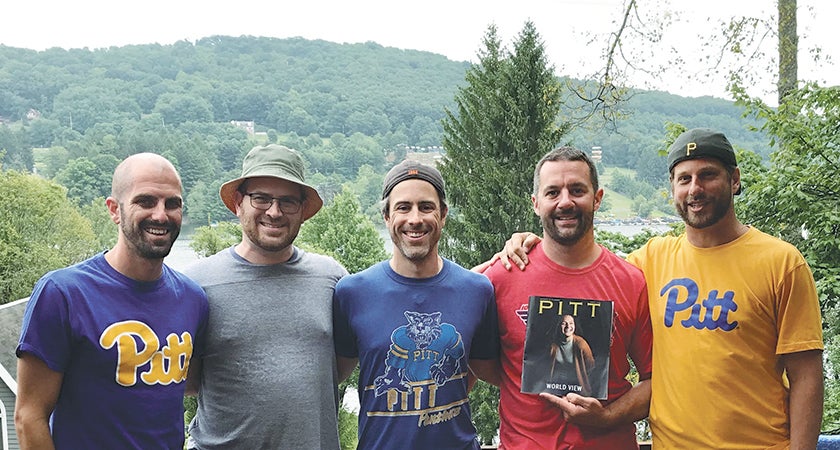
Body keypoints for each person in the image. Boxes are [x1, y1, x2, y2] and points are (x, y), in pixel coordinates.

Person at [494, 129, 825, 449]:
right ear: (673, 189)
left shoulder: (781, 262)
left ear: (734, 180)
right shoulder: (649, 261)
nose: (696, 189)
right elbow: (584, 267)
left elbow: (807, 376)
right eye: (684, 179)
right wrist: (519, 249)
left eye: (708, 175)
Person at [15, 153, 209, 449]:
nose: (161, 215)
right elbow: (29, 415)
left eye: (172, 203)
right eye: (145, 201)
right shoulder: (63, 293)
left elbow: (188, 386)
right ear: (114, 210)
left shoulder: (192, 299)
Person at [481, 146, 653, 449]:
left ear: (597, 198)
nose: (565, 202)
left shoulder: (631, 281)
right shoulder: (501, 277)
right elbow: (485, 364)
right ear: (536, 204)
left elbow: (657, 383)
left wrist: (608, 416)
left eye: (577, 190)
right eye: (552, 193)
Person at [183, 144, 347, 450]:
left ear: (302, 211)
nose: (274, 212)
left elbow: (337, 368)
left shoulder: (332, 279)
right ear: (238, 203)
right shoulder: (196, 284)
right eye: (261, 198)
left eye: (287, 201)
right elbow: (188, 381)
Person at [333, 160, 499, 449]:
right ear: (386, 216)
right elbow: (331, 375)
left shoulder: (477, 290)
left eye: (426, 207)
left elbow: (485, 370)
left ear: (443, 214)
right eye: (403, 207)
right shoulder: (351, 293)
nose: (415, 218)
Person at [547, 314, 595, 395]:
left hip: (577, 388)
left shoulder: (581, 344)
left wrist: (581, 378)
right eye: (564, 323)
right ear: (558, 326)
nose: (568, 326)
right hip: (556, 388)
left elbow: (590, 366)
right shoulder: (552, 346)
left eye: (571, 323)